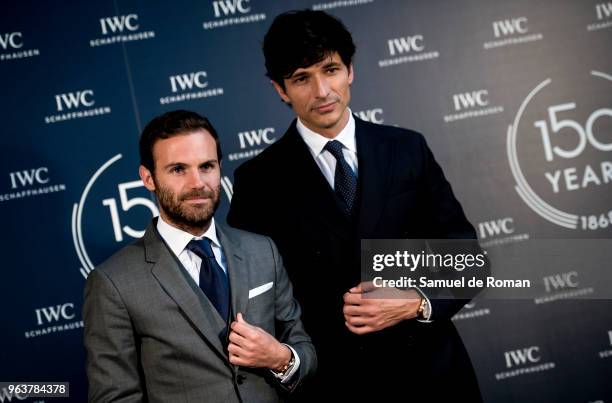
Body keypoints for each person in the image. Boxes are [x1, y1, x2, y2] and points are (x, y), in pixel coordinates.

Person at [227, 10, 482, 401]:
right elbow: (254, 298)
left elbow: (467, 258)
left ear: (350, 70)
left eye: (330, 70)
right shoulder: (257, 182)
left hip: (434, 377)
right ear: (280, 89)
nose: (322, 91)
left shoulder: (406, 148)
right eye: (301, 78)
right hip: (334, 385)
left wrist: (414, 302)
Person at [83, 110, 316, 403]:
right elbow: (114, 398)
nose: (197, 183)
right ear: (148, 178)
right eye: (178, 169)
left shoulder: (262, 251)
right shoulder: (113, 283)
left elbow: (303, 348)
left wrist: (280, 357)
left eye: (206, 166)